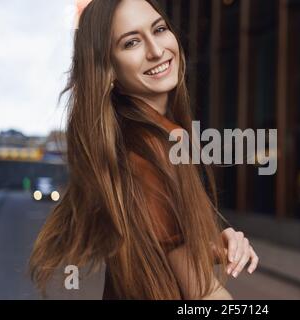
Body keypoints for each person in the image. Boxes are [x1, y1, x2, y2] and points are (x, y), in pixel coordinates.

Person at [29, 0, 258, 300]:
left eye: (159, 29)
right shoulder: (152, 148)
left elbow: (158, 246)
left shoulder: (131, 141)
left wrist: (208, 242)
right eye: (132, 42)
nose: (156, 50)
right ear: (107, 68)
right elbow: (203, 295)